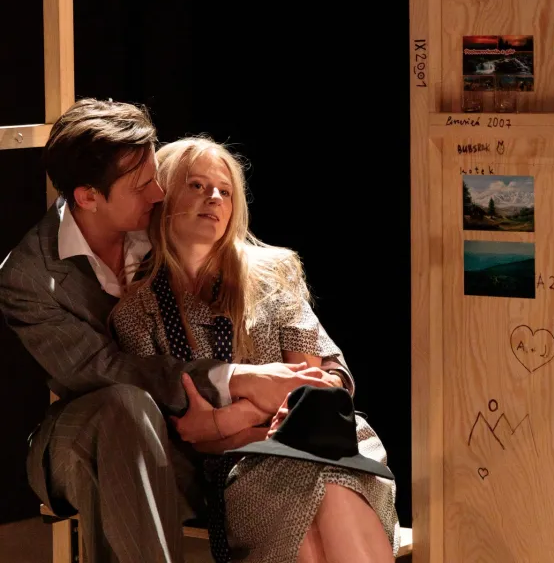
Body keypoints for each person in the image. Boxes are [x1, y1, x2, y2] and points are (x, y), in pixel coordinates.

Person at [0, 98, 345, 563]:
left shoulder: (166, 225)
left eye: (156, 177)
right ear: (88, 197)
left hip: (200, 437)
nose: (159, 192)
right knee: (126, 406)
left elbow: (291, 328)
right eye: (142, 185)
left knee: (312, 490)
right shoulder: (28, 277)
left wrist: (246, 412)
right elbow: (105, 371)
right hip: (91, 436)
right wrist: (236, 379)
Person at [111, 136, 401, 562]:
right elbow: (187, 433)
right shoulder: (136, 312)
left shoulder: (272, 274)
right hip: (242, 466)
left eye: (225, 191)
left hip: (327, 446)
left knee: (331, 484)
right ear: (164, 194)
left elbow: (311, 393)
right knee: (304, 518)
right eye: (197, 185)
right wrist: (242, 421)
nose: (214, 197)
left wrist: (228, 418)